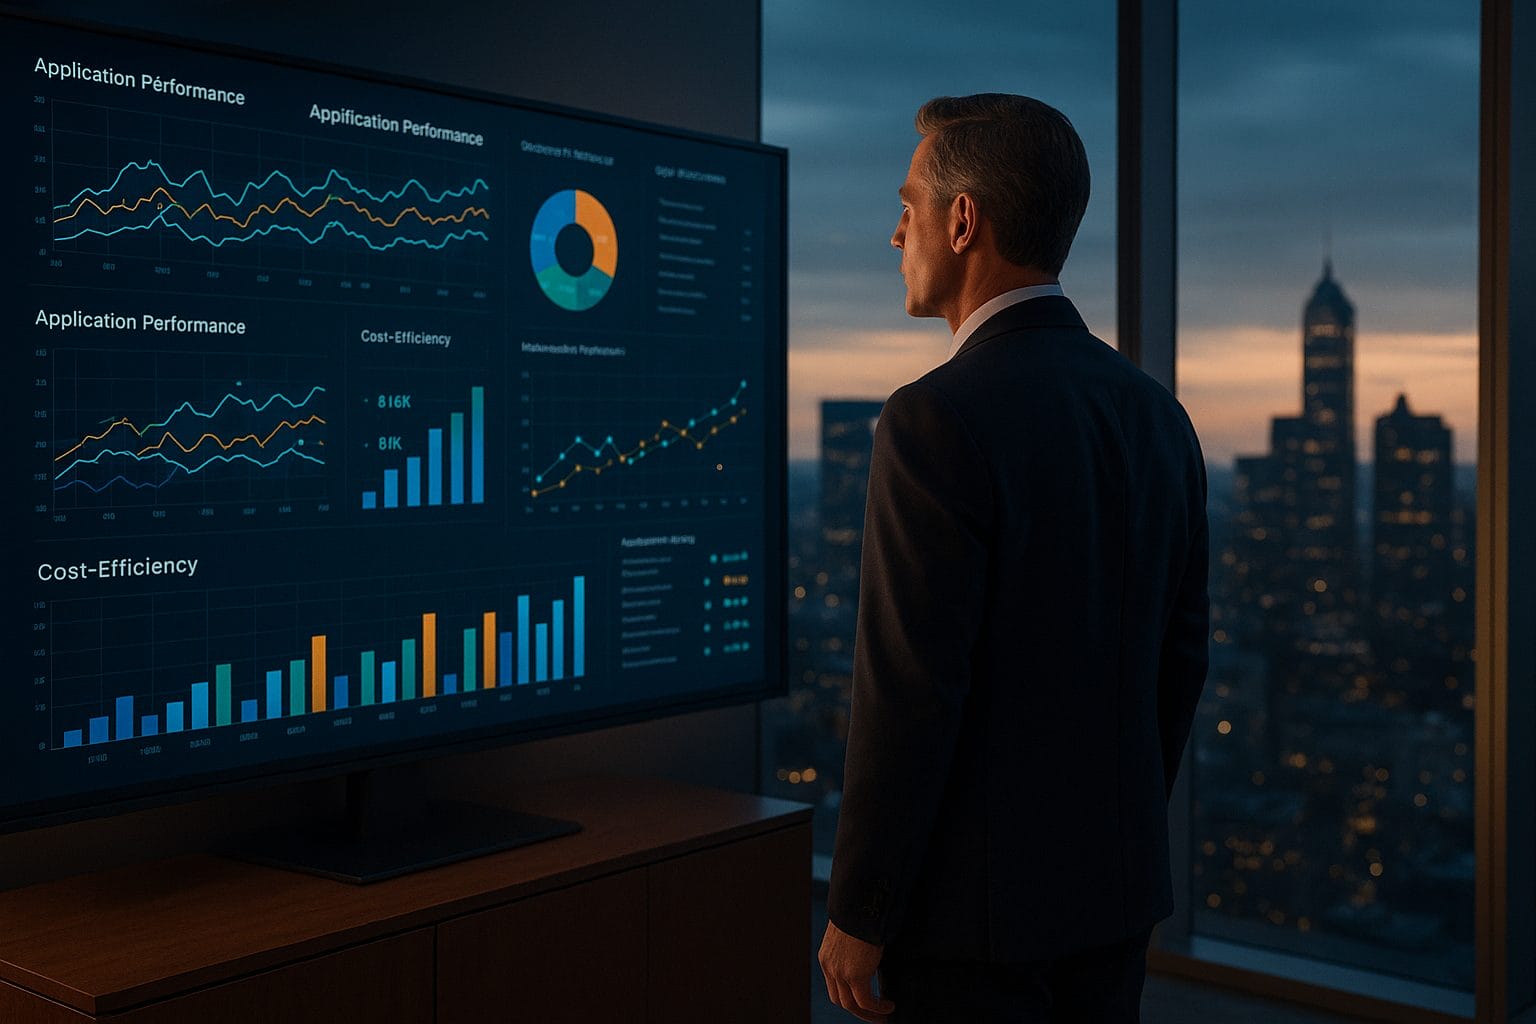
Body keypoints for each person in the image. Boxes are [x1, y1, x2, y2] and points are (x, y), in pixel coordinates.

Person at [817, 94, 1209, 1023]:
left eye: (907, 204)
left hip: (973, 929)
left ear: (963, 220)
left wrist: (861, 912)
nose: (893, 233)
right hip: (1113, 899)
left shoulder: (934, 417)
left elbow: (912, 694)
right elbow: (1179, 666)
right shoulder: (1159, 416)